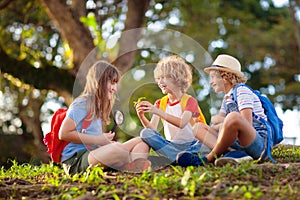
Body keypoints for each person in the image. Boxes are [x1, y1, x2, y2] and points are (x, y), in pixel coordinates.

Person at [59, 60, 150, 174]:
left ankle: (133, 166)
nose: (114, 88)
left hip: (94, 154)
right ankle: (130, 163)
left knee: (143, 141)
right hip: (77, 160)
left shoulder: (97, 108)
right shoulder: (83, 103)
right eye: (112, 83)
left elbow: (93, 141)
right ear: (99, 81)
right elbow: (63, 133)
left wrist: (103, 141)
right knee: (117, 148)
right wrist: (98, 139)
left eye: (115, 84)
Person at [177, 54, 268, 167]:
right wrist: (222, 124)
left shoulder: (242, 91)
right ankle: (232, 153)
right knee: (198, 127)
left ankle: (208, 158)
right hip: (236, 142)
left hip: (255, 142)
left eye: (213, 77)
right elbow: (216, 124)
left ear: (226, 77)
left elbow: (246, 123)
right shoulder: (226, 99)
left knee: (233, 117)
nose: (210, 82)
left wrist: (224, 123)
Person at [134, 55, 209, 165]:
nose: (160, 82)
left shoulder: (189, 101)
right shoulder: (161, 103)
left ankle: (174, 157)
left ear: (177, 78)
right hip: (173, 145)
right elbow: (152, 129)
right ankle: (178, 157)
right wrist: (142, 116)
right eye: (158, 78)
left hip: (193, 144)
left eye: (164, 77)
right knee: (146, 133)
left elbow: (182, 123)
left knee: (205, 143)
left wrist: (158, 111)